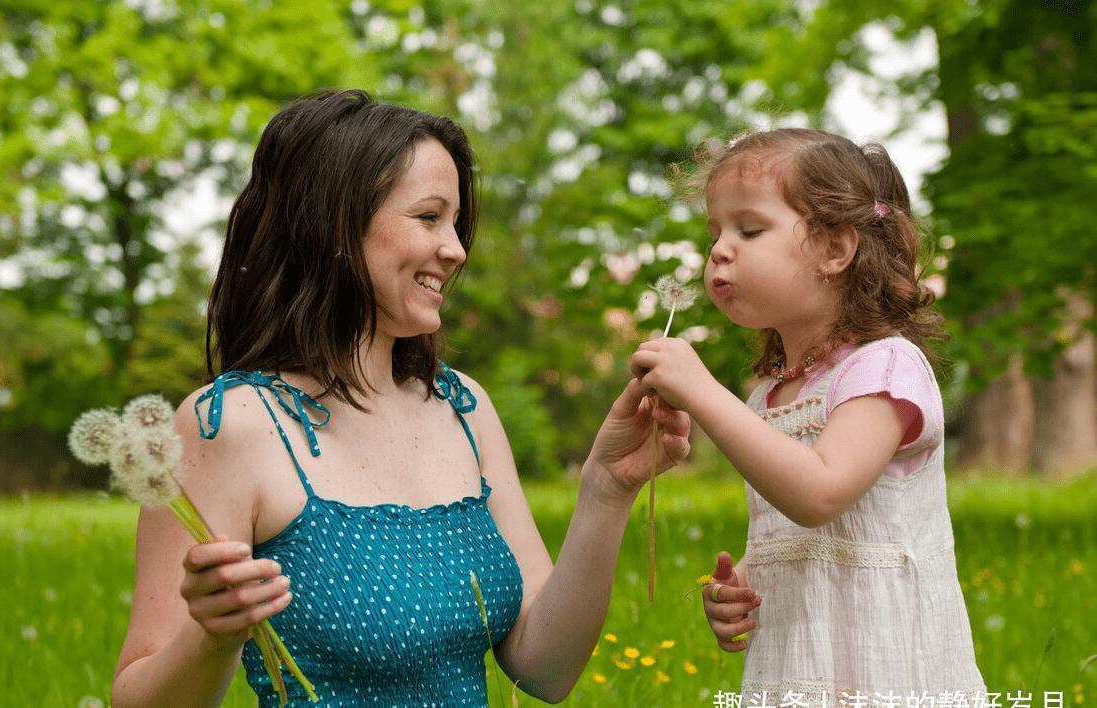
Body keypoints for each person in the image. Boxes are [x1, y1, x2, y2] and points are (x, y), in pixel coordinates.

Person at [110, 89, 691, 707]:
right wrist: (211, 637)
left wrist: (607, 486)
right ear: (334, 222)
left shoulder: (463, 408)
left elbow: (545, 669)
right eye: (429, 217)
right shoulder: (226, 424)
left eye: (456, 223)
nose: (456, 249)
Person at [629, 129, 987, 703]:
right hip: (801, 663)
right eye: (715, 233)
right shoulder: (768, 398)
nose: (719, 250)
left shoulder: (884, 368)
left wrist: (702, 392)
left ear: (834, 250)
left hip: (886, 668)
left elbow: (820, 493)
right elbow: (803, 532)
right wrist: (749, 580)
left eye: (749, 230)